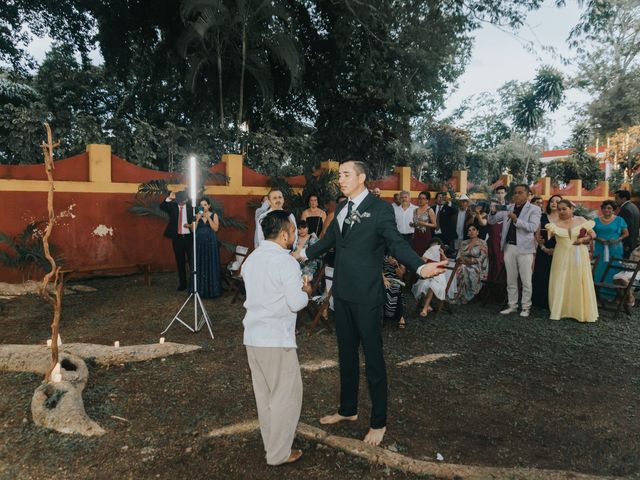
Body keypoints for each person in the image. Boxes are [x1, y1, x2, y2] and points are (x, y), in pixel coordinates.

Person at [296, 160, 447, 446]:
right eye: (339, 175)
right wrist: (303, 254)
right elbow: (329, 240)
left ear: (362, 178)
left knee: (373, 359)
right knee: (346, 355)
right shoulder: (341, 207)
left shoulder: (379, 209)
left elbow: (396, 243)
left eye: (345, 174)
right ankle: (348, 410)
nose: (340, 179)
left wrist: (420, 267)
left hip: (367, 296)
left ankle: (379, 422)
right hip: (343, 293)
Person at [241, 210, 312, 466]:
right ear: (283, 235)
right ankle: (279, 453)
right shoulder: (286, 262)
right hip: (276, 340)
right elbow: (295, 303)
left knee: (265, 396)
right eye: (293, 232)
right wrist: (307, 291)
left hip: (253, 337)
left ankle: (272, 445)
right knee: (286, 397)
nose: (294, 236)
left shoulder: (251, 259)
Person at [488, 184, 541, 318]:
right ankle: (512, 305)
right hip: (509, 247)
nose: (517, 195)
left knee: (526, 279)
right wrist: (493, 211)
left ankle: (526, 307)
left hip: (525, 248)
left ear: (528, 194)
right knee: (511, 278)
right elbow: (492, 220)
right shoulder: (509, 207)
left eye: (520, 192)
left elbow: (533, 227)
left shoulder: (534, 209)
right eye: (515, 193)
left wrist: (516, 220)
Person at [545, 200, 598, 323]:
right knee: (560, 279)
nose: (561, 211)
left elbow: (593, 235)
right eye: (559, 209)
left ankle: (580, 311)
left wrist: (584, 239)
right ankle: (560, 310)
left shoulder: (581, 220)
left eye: (564, 209)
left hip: (579, 254)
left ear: (571, 209)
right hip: (561, 255)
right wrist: (541, 238)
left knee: (579, 280)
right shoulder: (553, 224)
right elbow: (546, 237)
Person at [593, 200, 629, 299]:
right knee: (599, 269)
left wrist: (618, 239)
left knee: (613, 269)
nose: (606, 210)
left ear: (613, 209)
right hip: (600, 248)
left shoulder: (619, 220)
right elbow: (591, 234)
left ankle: (613, 295)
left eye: (609, 208)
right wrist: (598, 238)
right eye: (604, 208)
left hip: (615, 248)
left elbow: (626, 233)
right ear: (602, 209)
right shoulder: (595, 220)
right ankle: (600, 295)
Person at [531, 195, 562, 310]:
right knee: (541, 275)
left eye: (557, 201)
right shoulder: (542, 217)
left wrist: (556, 250)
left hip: (559, 251)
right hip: (543, 249)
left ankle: (554, 301)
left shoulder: (564, 218)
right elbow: (537, 235)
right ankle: (539, 302)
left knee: (556, 276)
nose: (554, 203)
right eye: (552, 201)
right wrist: (544, 248)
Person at [187, 197, 222, 298]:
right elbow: (193, 230)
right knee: (199, 264)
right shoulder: (196, 215)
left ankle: (212, 291)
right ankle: (199, 290)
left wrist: (208, 217)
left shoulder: (214, 215)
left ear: (209, 206)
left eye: (205, 205)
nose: (203, 207)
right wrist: (197, 219)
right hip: (199, 244)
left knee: (210, 264)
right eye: (201, 205)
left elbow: (215, 228)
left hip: (211, 244)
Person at [160, 190, 194, 291]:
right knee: (180, 261)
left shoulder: (191, 208)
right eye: (178, 200)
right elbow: (162, 207)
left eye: (182, 200)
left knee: (192, 261)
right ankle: (182, 283)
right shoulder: (172, 207)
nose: (180, 202)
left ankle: (193, 283)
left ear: (186, 200)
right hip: (177, 238)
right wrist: (169, 198)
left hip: (189, 238)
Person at [452, 225, 489, 304]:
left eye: (474, 230)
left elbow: (482, 258)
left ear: (477, 232)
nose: (471, 232)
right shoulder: (464, 243)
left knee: (464, 269)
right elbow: (459, 256)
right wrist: (463, 261)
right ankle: (456, 294)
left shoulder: (482, 243)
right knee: (459, 268)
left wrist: (470, 261)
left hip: (478, 266)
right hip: (464, 264)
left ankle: (467, 295)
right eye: (469, 230)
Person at [412, 238, 448, 318]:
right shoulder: (427, 254)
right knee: (424, 285)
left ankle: (425, 308)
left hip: (439, 276)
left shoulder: (441, 255)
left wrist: (443, 254)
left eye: (436, 245)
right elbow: (421, 263)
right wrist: (424, 257)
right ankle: (427, 305)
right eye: (432, 245)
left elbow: (446, 263)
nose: (434, 246)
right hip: (428, 274)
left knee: (432, 286)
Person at [486, 186, 507, 281]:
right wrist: (493, 211)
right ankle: (492, 281)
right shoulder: (492, 206)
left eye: (502, 193)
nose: (500, 195)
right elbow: (489, 221)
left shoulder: (509, 206)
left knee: (502, 260)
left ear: (505, 194)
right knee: (493, 259)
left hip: (504, 236)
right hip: (494, 236)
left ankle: (501, 281)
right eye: (498, 193)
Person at [614, 190, 640, 258]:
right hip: (633, 243)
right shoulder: (633, 207)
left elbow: (627, 229)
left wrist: (626, 245)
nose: (615, 201)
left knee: (622, 265)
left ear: (624, 199)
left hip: (626, 244)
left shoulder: (625, 209)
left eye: (617, 198)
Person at [382, 255, 406, 329]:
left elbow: (401, 275)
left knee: (395, 288)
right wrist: (384, 279)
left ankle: (400, 316)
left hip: (395, 281)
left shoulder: (401, 259)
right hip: (383, 278)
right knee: (384, 288)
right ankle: (381, 316)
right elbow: (377, 269)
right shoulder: (381, 257)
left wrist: (395, 265)